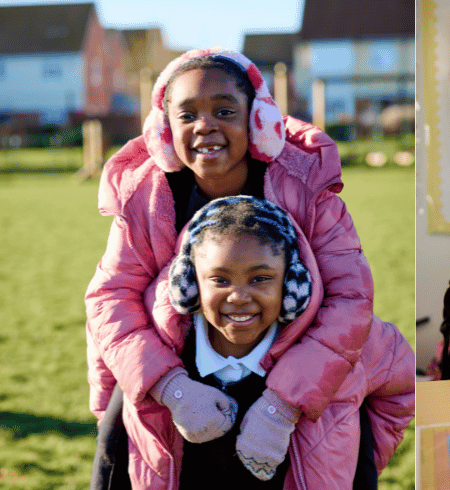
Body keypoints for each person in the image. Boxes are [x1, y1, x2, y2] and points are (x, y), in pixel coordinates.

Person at [84, 48, 411, 487]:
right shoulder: (145, 199)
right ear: (164, 131)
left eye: (224, 110)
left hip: (294, 373)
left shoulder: (307, 188)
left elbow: (350, 299)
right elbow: (110, 298)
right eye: (187, 115)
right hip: (180, 374)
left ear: (257, 120)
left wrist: (284, 403)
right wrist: (169, 388)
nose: (206, 126)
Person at [125, 195, 413, 488]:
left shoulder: (350, 346)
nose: (238, 297)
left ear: (291, 282)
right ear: (188, 283)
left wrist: (361, 467)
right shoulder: (155, 345)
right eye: (220, 280)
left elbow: (403, 385)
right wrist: (171, 392)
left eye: (260, 278)